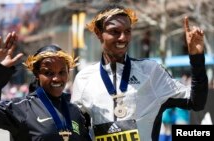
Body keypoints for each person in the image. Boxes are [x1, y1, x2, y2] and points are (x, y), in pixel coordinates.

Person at [70, 4, 208, 141]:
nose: (123, 38)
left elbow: (196, 102)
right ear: (98, 34)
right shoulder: (84, 79)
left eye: (127, 31)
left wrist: (196, 58)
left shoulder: (151, 72)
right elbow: (77, 132)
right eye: (115, 31)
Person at [0, 31, 92, 141]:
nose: (57, 78)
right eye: (48, 73)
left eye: (62, 72)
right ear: (36, 74)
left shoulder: (75, 110)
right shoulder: (22, 108)